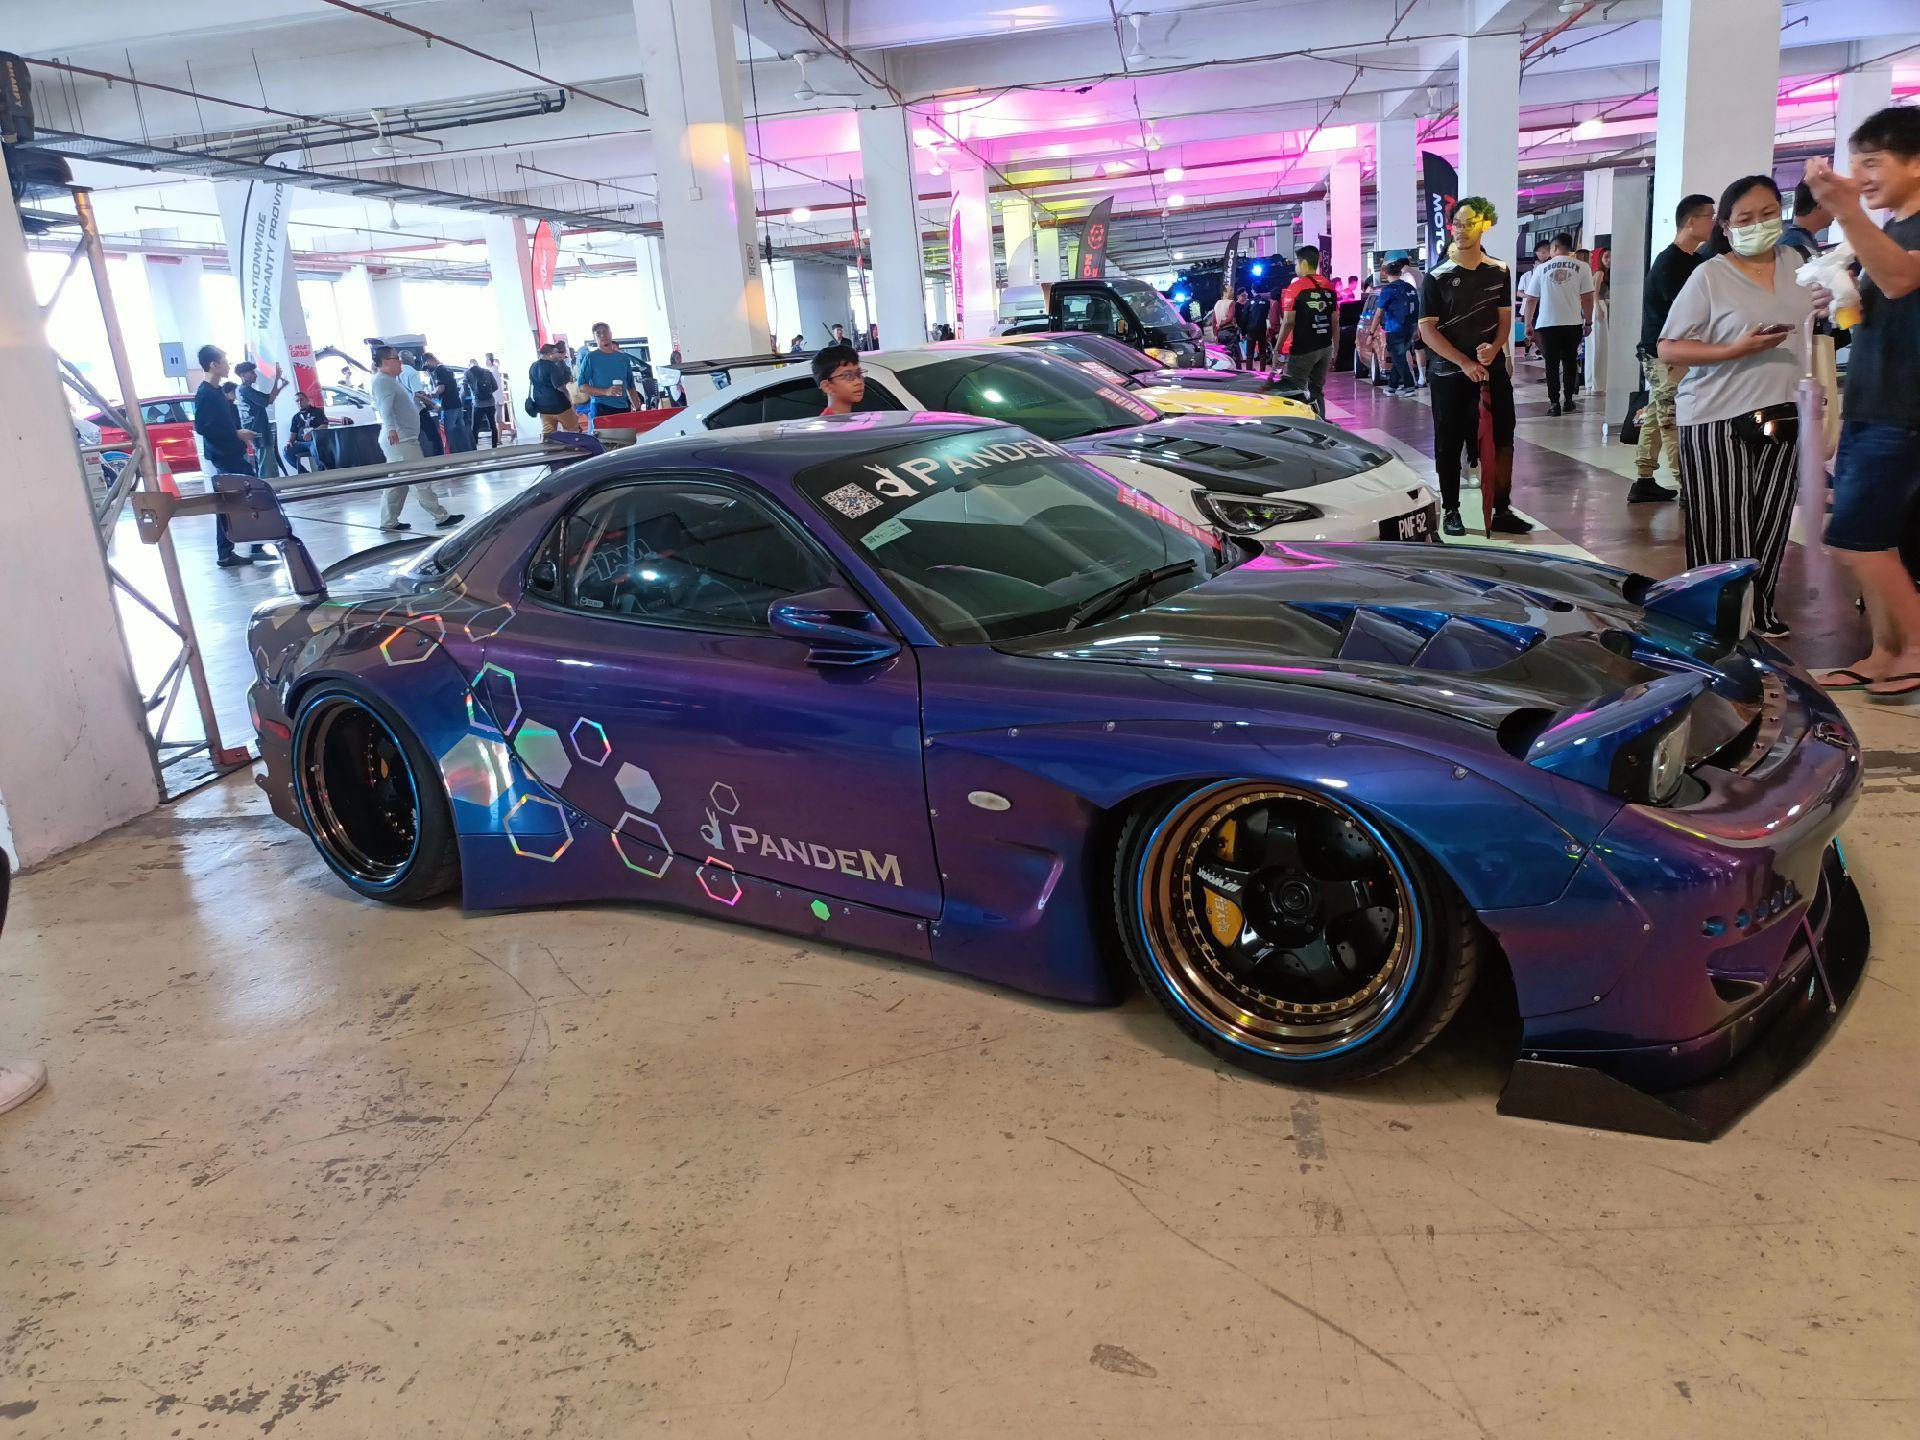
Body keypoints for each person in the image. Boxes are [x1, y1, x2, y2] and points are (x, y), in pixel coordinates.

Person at [1656, 175, 1811, 640]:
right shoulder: (1710, 275)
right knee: (1723, 524)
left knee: (1772, 518)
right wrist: (1734, 350)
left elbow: (1813, 329)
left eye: (1768, 213)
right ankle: (1718, 619)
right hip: (1716, 414)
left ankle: (1759, 608)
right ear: (1725, 226)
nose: (1758, 224)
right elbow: (1668, 347)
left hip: (1783, 408)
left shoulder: (1797, 263)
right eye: (1745, 218)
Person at [1804, 106, 1920, 699]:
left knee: (1858, 539)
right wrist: (1843, 303)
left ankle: (1915, 649)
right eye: (1856, 165)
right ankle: (1884, 653)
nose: (1860, 178)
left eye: (1872, 163)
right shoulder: (1894, 228)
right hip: (1875, 402)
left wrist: (1845, 208)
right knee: (1873, 541)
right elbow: (1889, 297)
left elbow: (1900, 280)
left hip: (1905, 409)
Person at [1420, 197, 1529, 537]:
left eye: (1470, 224)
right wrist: (1464, 361)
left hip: (1490, 369)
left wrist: (1494, 348)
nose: (1462, 230)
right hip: (1448, 372)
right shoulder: (1436, 275)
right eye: (1458, 224)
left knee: (1502, 438)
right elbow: (1427, 330)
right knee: (1448, 442)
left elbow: (1504, 319)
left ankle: (1501, 507)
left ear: (1484, 226)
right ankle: (1451, 509)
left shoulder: (1500, 270)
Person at [1633, 194, 1715, 504]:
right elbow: (1685, 313)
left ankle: (1644, 479)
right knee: (1670, 416)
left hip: (1677, 352)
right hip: (1663, 353)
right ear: (1691, 221)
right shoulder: (1670, 262)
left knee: (1657, 412)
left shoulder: (1696, 261)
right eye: (1709, 216)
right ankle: (1687, 486)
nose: (1713, 222)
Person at [371, 346, 461, 534]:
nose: (400, 362)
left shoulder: (388, 380)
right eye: (396, 358)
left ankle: (388, 521)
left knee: (397, 483)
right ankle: (440, 516)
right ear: (385, 362)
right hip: (401, 440)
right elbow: (385, 407)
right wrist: (392, 428)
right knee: (419, 477)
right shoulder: (383, 381)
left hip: (402, 438)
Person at [192, 346, 266, 566]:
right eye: (224, 361)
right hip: (224, 455)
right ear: (214, 365)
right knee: (240, 497)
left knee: (232, 501)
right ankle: (243, 548)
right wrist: (236, 434)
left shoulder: (216, 391)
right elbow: (202, 427)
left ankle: (240, 548)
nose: (227, 364)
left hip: (231, 452)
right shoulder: (206, 393)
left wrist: (237, 434)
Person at [1522, 233, 1594, 416]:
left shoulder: (1541, 269)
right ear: (1570, 248)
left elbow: (1531, 299)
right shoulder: (1583, 267)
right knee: (1570, 362)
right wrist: (1588, 322)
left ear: (1554, 248)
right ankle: (1568, 401)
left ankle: (1554, 404)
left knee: (1551, 364)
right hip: (1572, 324)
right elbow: (1587, 298)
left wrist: (1528, 324)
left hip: (1547, 324)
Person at [1271, 245, 1339, 415]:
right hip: (1325, 348)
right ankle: (1320, 424)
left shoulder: (1295, 288)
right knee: (1316, 390)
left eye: (1296, 263)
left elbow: (1288, 322)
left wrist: (1277, 349)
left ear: (1303, 263)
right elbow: (1335, 321)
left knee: (1293, 389)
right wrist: (1335, 350)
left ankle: (1299, 427)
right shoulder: (1329, 286)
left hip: (1303, 349)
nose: (1296, 267)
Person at [574, 322, 643, 431]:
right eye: (598, 333)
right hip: (601, 407)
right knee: (605, 440)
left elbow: (630, 386)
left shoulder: (623, 359)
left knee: (626, 439)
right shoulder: (591, 358)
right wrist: (606, 391)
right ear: (594, 338)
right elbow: (582, 386)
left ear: (611, 333)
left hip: (623, 408)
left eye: (605, 332)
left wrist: (638, 409)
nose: (603, 335)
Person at [232, 360, 287, 477]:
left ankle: (273, 485)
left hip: (258, 428)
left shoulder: (244, 389)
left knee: (269, 460)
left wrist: (280, 384)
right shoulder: (244, 390)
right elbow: (267, 401)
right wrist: (277, 380)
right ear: (243, 375)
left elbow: (269, 399)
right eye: (251, 372)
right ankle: (268, 486)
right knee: (266, 463)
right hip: (257, 429)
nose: (255, 375)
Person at [1376, 260, 1420, 395]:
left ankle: (1409, 386)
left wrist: (1372, 332)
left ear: (1385, 273)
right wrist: (1417, 327)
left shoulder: (1388, 290)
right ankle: (1392, 387)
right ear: (1400, 273)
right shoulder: (1410, 288)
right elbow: (1418, 308)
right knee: (1398, 357)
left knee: (1398, 358)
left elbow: (1378, 314)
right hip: (1410, 328)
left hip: (1394, 329)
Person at [527, 342, 581, 434]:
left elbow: (532, 383)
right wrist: (569, 397)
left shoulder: (533, 366)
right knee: (572, 431)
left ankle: (547, 444)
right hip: (559, 406)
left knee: (548, 434)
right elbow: (559, 386)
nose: (559, 355)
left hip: (542, 407)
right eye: (556, 352)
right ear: (550, 354)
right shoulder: (552, 366)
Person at [420, 352, 470, 453]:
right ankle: (468, 452)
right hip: (457, 404)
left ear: (429, 361)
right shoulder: (446, 369)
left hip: (449, 405)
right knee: (461, 431)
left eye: (426, 365)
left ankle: (453, 454)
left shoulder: (439, 370)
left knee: (448, 431)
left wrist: (430, 394)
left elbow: (441, 387)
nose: (428, 369)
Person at [1780, 180, 1833, 260]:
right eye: (1833, 206)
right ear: (1820, 206)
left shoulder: (1800, 237)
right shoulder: (1795, 244)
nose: (1836, 212)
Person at [813, 344, 865, 415]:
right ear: (827, 387)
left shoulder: (847, 417)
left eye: (859, 373)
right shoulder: (829, 421)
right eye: (848, 376)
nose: (858, 382)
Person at [284, 392, 329, 473]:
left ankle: (322, 473)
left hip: (314, 441)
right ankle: (305, 473)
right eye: (297, 401)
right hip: (301, 443)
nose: (299, 402)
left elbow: (325, 425)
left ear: (307, 400)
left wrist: (312, 432)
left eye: (301, 399)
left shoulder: (317, 412)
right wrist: (289, 442)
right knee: (286, 452)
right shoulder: (296, 417)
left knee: (316, 448)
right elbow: (293, 434)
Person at [463, 359, 500, 447]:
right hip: (490, 403)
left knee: (475, 427)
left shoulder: (467, 373)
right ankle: (494, 445)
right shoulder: (487, 372)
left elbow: (464, 389)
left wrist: (471, 394)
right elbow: (495, 387)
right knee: (492, 425)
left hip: (478, 404)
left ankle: (474, 447)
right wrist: (489, 393)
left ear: (469, 365)